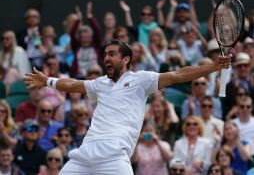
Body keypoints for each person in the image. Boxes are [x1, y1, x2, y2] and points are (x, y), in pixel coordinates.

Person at [24, 39, 230, 174]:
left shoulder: (142, 79)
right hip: (85, 153)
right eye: (105, 54)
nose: (106, 58)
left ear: (126, 59)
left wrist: (213, 66)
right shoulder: (100, 83)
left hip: (115, 155)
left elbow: (178, 75)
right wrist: (48, 81)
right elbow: (74, 84)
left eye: (111, 54)